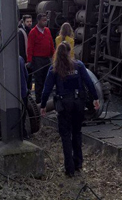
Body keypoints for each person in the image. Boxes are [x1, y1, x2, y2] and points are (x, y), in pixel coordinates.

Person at [40, 42, 100, 177]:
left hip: (63, 105)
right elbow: (89, 83)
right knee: (77, 132)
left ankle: (69, 168)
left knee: (65, 136)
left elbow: (46, 90)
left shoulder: (54, 69)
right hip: (78, 102)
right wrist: (96, 98)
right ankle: (78, 163)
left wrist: (43, 106)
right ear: (69, 52)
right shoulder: (78, 65)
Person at [27, 13, 55, 105]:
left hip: (46, 59)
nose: (45, 22)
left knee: (46, 79)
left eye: (46, 20)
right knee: (39, 81)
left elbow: (51, 44)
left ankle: (45, 99)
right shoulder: (33, 32)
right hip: (37, 59)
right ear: (38, 21)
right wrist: (30, 60)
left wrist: (54, 55)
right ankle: (39, 101)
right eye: (43, 20)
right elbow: (30, 47)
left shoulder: (47, 31)